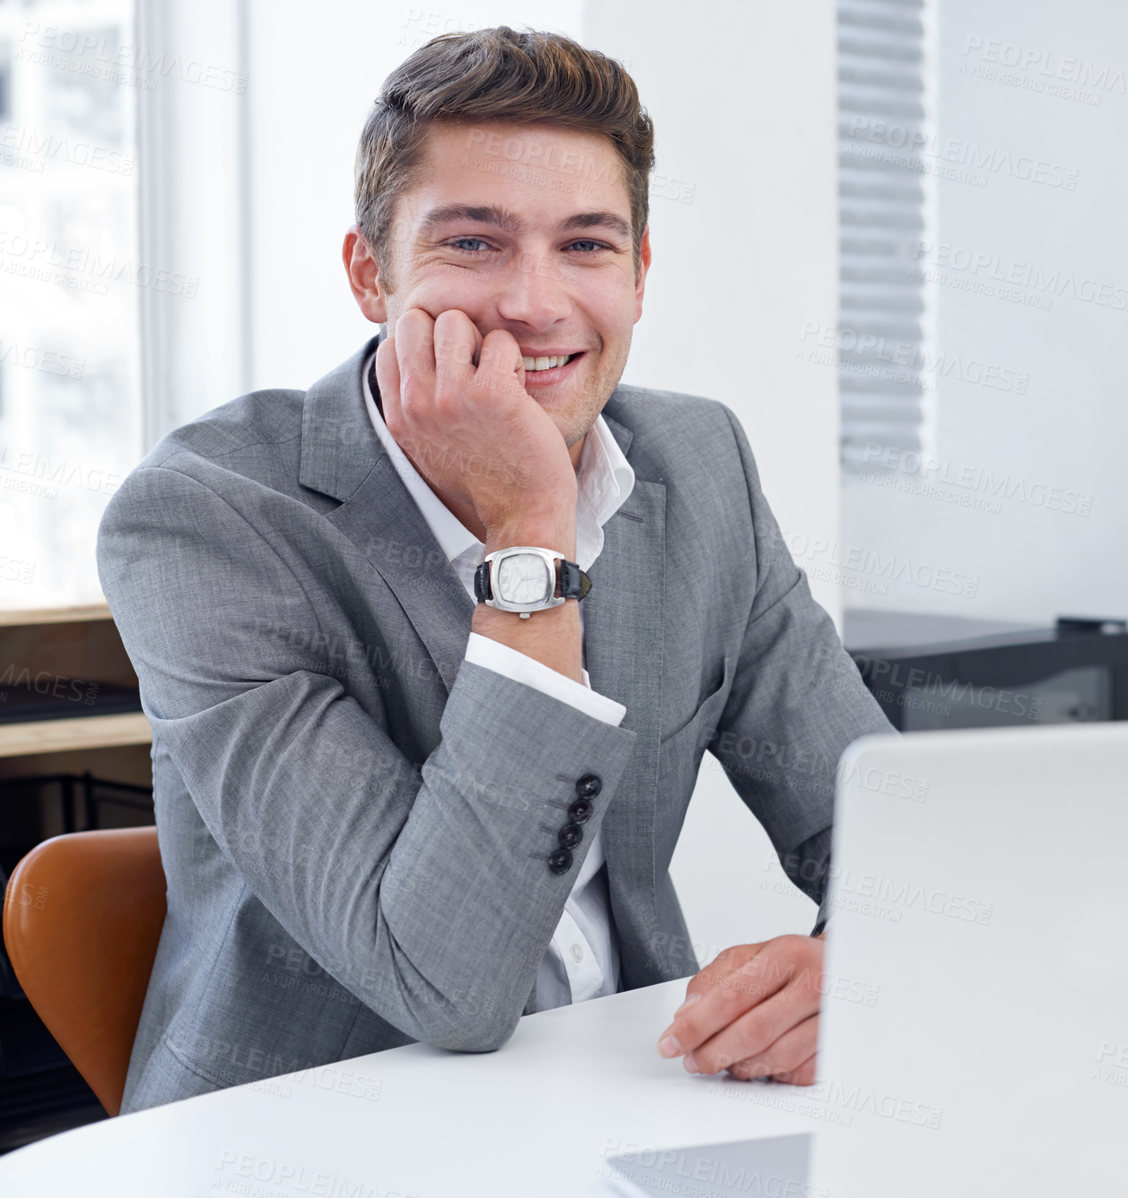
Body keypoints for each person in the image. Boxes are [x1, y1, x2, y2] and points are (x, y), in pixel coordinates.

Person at [95, 25, 893, 1113]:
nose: (535, 302)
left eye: (588, 245)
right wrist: (530, 529)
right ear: (371, 273)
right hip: (312, 1134)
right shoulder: (208, 518)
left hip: (629, 1102)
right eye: (474, 244)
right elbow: (447, 983)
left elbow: (892, 832)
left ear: (641, 274)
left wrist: (864, 963)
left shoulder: (699, 467)